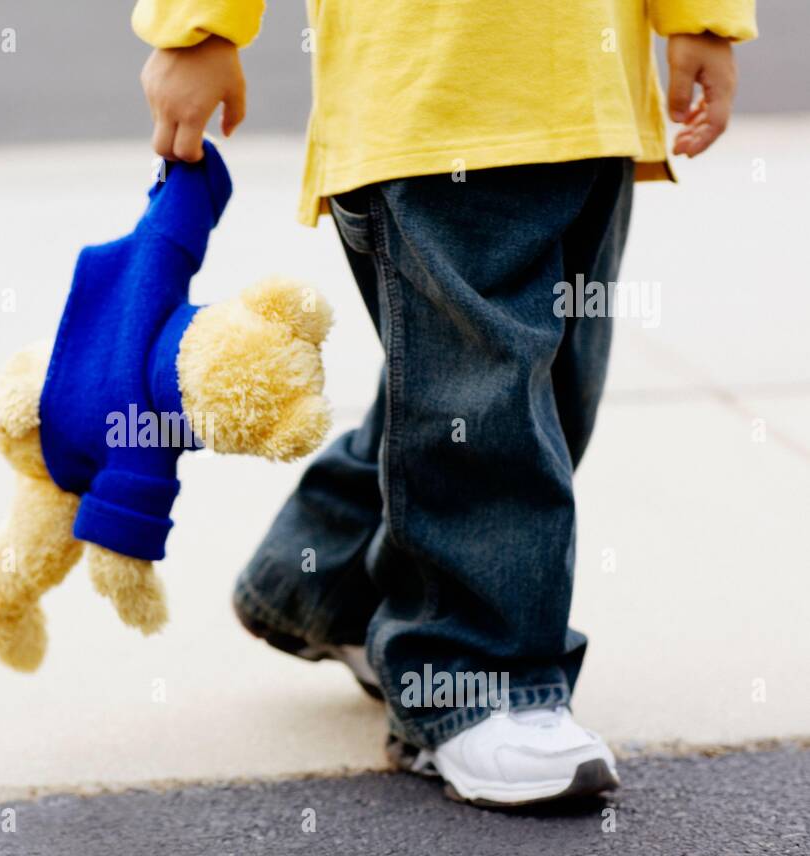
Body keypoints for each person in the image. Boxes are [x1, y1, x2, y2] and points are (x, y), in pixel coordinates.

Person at [133, 0, 757, 806]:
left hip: (591, 97)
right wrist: (200, 28)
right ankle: (472, 678)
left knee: (526, 400)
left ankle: (327, 584)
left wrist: (702, 18)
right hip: (430, 102)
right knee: (485, 403)